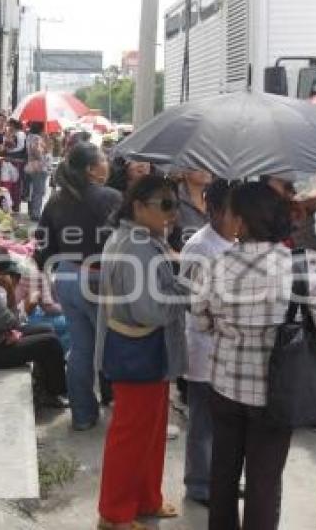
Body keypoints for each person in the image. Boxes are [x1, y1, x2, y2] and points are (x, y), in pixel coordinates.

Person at [191, 181, 316, 530]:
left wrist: (229, 327)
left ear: (240, 221)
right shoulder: (304, 265)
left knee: (223, 471)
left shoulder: (214, 266)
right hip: (277, 393)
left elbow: (201, 321)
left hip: (224, 386)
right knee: (265, 480)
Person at [96, 174, 186, 529]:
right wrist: (185, 296)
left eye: (174, 204)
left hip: (146, 350)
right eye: (164, 205)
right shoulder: (138, 246)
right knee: (132, 435)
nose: (172, 212)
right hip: (139, 348)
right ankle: (114, 513)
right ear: (138, 206)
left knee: (149, 431)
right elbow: (150, 309)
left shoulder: (143, 240)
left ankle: (146, 499)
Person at [35, 142, 121, 430]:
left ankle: (83, 416)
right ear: (91, 168)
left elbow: (42, 244)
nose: (108, 164)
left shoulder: (57, 200)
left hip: (68, 279)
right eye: (104, 160)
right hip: (98, 279)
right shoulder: (109, 198)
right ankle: (123, 415)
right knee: (115, 348)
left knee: (82, 349)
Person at [179, 179, 237, 507]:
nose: (239, 218)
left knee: (222, 424)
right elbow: (189, 298)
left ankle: (218, 478)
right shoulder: (200, 247)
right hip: (204, 348)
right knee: (203, 422)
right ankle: (199, 483)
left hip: (226, 347)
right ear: (213, 210)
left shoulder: (233, 241)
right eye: (232, 212)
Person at [0, 246, 68, 408]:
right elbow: (13, 322)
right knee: (50, 342)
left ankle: (45, 387)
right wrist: (9, 291)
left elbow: (11, 322)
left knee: (47, 329)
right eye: (4, 273)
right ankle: (56, 391)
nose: (7, 277)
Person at [25, 121, 51, 221]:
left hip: (32, 166)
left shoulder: (29, 137)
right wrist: (46, 148)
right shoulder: (37, 138)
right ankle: (35, 213)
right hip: (39, 167)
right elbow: (37, 152)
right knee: (39, 191)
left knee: (34, 190)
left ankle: (33, 211)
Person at [4, 118, 28, 211]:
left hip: (16, 161)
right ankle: (10, 204)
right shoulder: (13, 133)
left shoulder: (20, 134)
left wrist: (8, 147)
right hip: (11, 160)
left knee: (16, 184)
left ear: (14, 125)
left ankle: (15, 205)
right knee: (10, 183)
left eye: (10, 124)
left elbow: (19, 148)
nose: (9, 126)